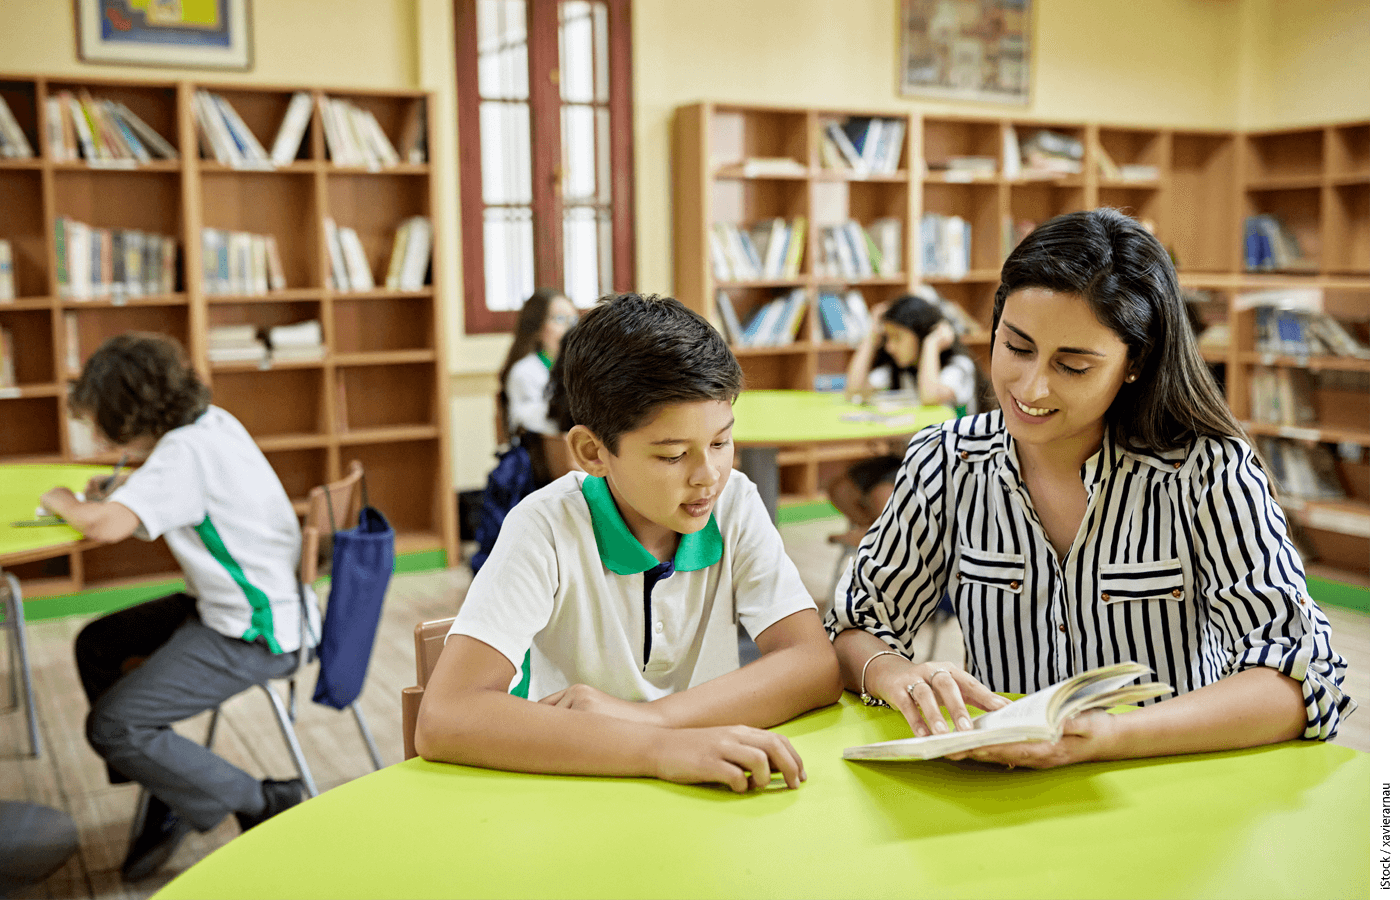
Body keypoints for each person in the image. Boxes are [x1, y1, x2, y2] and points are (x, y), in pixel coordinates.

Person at [827, 208, 1354, 769]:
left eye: (1073, 366)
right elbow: (856, 625)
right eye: (1017, 347)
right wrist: (898, 674)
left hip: (1164, 791)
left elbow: (1303, 679)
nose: (1031, 387)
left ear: (1134, 362)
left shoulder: (1207, 473)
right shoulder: (947, 460)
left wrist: (1104, 739)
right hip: (1003, 798)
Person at [417, 293, 842, 792]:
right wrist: (659, 749)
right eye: (673, 455)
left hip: (701, 789)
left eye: (721, 443)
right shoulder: (546, 527)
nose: (708, 476)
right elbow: (445, 716)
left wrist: (654, 720)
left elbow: (814, 665)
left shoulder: (735, 504)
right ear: (592, 452)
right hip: (569, 792)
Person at [39, 333, 309, 880]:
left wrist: (63, 501)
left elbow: (106, 526)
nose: (97, 433)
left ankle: (264, 799)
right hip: (265, 607)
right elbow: (174, 491)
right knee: (98, 643)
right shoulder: (211, 422)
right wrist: (125, 488)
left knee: (110, 727)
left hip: (254, 634)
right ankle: (167, 780)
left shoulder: (182, 453)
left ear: (127, 412)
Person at [828, 293, 986, 538]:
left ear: (921, 335)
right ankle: (883, 537)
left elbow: (929, 395)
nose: (890, 346)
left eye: (897, 338)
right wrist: (872, 335)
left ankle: (884, 538)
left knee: (884, 492)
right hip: (910, 457)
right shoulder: (899, 370)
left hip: (953, 463)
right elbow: (854, 390)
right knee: (841, 488)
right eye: (887, 338)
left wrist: (931, 344)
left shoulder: (958, 367)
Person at [498, 287, 578, 439]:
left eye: (573, 320)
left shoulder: (575, 367)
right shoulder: (524, 372)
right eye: (560, 319)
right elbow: (529, 422)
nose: (569, 327)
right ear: (537, 327)